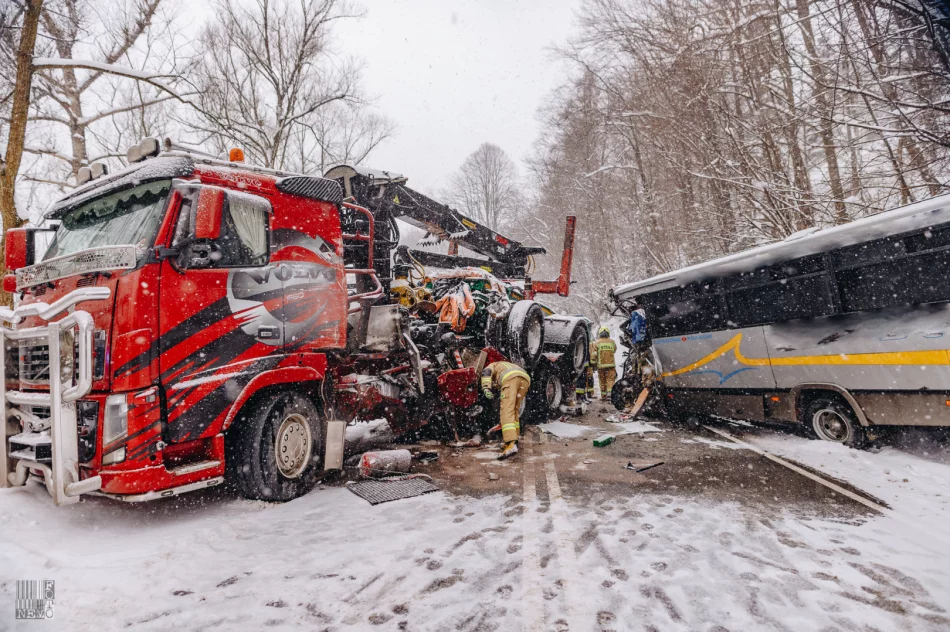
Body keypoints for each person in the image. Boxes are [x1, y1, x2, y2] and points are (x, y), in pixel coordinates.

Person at [481, 360, 531, 460]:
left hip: (511, 379)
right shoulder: (505, 365)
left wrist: (486, 388)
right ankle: (514, 440)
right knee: (514, 410)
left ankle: (510, 443)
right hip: (525, 379)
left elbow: (486, 372)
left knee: (506, 411)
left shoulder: (491, 365)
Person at [595, 326, 618, 400]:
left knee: (602, 380)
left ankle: (603, 396)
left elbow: (595, 354)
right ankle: (609, 395)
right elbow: (614, 350)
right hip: (611, 365)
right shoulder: (612, 342)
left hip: (601, 365)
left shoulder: (597, 342)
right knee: (610, 380)